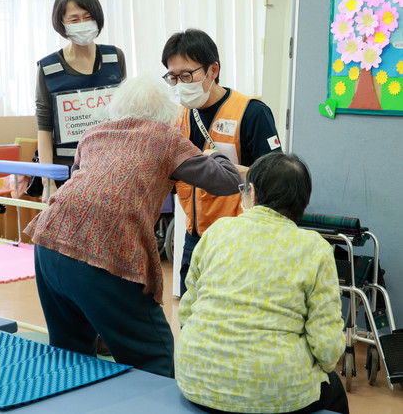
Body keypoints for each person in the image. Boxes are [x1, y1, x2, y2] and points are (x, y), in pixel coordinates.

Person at [24, 76, 242, 378]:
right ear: (168, 114)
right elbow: (229, 181)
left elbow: (79, 180)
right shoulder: (166, 138)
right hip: (106, 247)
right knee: (153, 356)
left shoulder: (93, 133)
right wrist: (210, 153)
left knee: (69, 352)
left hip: (49, 239)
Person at [176, 152, 349, 414]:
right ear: (303, 202)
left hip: (196, 378)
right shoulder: (315, 248)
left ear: (252, 193)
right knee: (334, 390)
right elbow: (326, 346)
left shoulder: (216, 232)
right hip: (276, 389)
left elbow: (187, 312)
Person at [161, 29, 282, 295]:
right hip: (195, 236)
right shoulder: (178, 117)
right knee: (190, 318)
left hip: (239, 238)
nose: (180, 84)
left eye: (187, 75)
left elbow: (276, 177)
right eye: (173, 77)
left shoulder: (251, 112)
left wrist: (222, 170)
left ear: (213, 70)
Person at [35, 0, 126, 201]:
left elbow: (125, 116)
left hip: (111, 168)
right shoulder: (48, 68)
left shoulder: (115, 57)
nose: (83, 24)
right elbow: (44, 128)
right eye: (74, 19)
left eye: (88, 17)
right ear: (62, 24)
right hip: (67, 173)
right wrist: (48, 183)